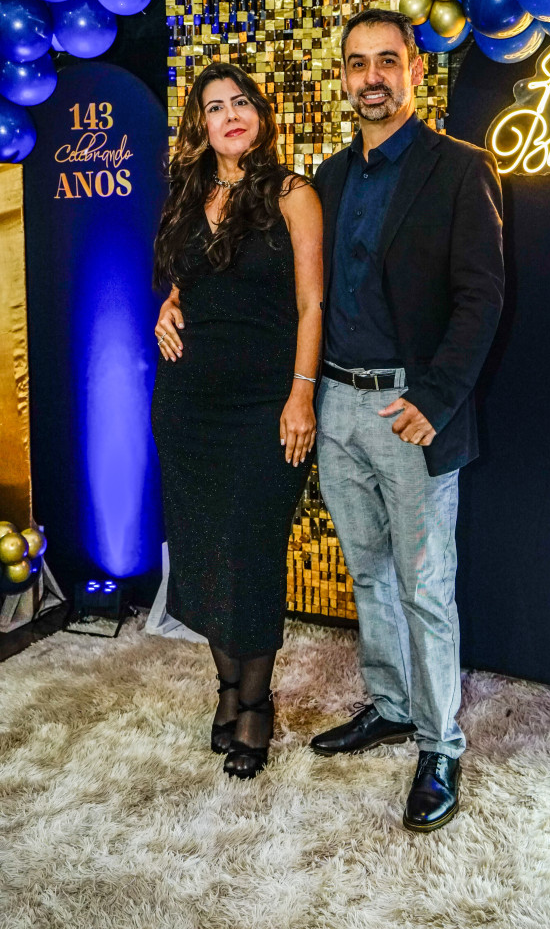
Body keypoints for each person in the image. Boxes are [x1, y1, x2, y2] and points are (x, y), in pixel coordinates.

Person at [309, 8, 504, 832]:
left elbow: (481, 297)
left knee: (426, 587)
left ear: (417, 71)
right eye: (358, 64)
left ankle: (440, 743)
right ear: (343, 77)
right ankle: (390, 704)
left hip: (407, 409)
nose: (372, 78)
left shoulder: (460, 169)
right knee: (368, 572)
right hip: (336, 406)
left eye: (387, 61)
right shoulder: (326, 179)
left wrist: (434, 399)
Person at [151, 62, 322, 780]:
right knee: (202, 551)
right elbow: (188, 282)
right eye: (215, 106)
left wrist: (301, 394)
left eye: (241, 101)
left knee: (250, 552)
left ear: (260, 114)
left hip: (264, 406)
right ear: (201, 125)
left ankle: (256, 704)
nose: (231, 114)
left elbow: (312, 304)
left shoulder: (293, 194)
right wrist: (169, 306)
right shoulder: (188, 194)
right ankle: (227, 690)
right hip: (187, 405)